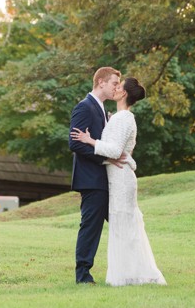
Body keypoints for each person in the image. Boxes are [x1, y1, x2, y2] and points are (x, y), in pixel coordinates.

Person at [71, 77, 166, 287]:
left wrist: (90, 141)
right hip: (111, 178)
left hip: (120, 179)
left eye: (119, 86)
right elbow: (118, 149)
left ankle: (131, 274)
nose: (116, 88)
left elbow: (115, 151)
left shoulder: (123, 117)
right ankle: (124, 273)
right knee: (121, 226)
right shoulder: (115, 116)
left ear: (123, 93)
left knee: (124, 226)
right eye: (115, 83)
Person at [69, 66, 126, 284]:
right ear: (101, 82)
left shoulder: (101, 109)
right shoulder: (84, 107)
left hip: (105, 180)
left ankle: (128, 267)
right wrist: (104, 158)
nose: (116, 88)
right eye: (114, 83)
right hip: (91, 179)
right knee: (91, 227)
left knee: (122, 222)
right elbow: (74, 143)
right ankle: (82, 274)